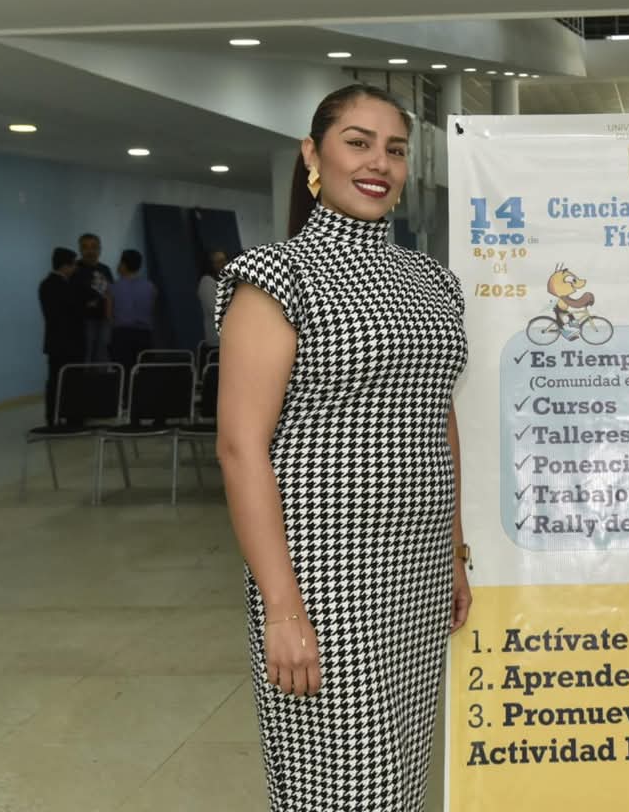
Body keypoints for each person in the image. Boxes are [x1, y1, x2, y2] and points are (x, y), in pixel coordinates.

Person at [215, 83, 470, 811]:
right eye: (357, 143)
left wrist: (453, 551)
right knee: (342, 784)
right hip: (325, 575)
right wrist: (282, 607)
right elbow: (240, 447)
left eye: (395, 149)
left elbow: (437, 414)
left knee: (399, 776)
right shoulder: (275, 276)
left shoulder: (432, 280)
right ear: (313, 154)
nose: (378, 163)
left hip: (416, 568)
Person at [38, 247, 83, 425]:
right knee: (70, 380)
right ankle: (71, 416)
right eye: (73, 264)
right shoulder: (64, 286)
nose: (75, 268)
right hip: (69, 341)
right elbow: (72, 311)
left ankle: (53, 417)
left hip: (55, 341)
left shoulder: (45, 284)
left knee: (55, 380)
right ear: (65, 266)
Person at [109, 249, 155, 371]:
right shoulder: (151, 287)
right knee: (143, 371)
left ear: (123, 265)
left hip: (121, 335)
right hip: (144, 334)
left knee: (123, 372)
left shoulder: (113, 287)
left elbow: (108, 315)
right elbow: (151, 310)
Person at [71, 232, 114, 361]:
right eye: (85, 247)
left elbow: (111, 293)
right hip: (83, 321)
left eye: (94, 247)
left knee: (102, 356)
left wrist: (110, 317)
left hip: (104, 320)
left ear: (99, 249)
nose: (90, 251)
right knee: (85, 355)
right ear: (80, 249)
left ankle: (100, 375)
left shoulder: (105, 269)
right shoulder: (74, 269)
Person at [198, 249, 228, 346]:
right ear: (211, 265)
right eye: (219, 261)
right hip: (218, 340)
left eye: (225, 260)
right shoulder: (207, 282)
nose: (224, 264)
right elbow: (215, 310)